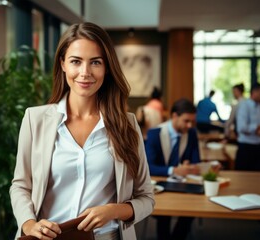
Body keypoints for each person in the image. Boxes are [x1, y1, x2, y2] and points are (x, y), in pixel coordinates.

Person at [9, 22, 154, 240]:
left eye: (95, 62)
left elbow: (146, 198)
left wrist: (113, 210)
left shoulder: (127, 125)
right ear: (63, 64)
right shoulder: (35, 119)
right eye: (76, 61)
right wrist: (29, 225)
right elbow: (20, 185)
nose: (85, 73)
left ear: (106, 67)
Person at [145, 98, 200, 240]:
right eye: (186, 121)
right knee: (164, 215)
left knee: (191, 210)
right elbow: (148, 167)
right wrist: (173, 170)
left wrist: (191, 166)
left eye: (192, 122)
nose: (189, 125)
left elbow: (196, 161)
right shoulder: (154, 134)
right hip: (160, 187)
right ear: (174, 116)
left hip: (184, 185)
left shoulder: (191, 133)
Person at [235, 83, 260, 171]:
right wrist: (259, 127)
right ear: (254, 92)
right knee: (244, 178)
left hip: (259, 147)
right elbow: (241, 128)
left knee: (259, 177)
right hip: (246, 148)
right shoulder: (244, 106)